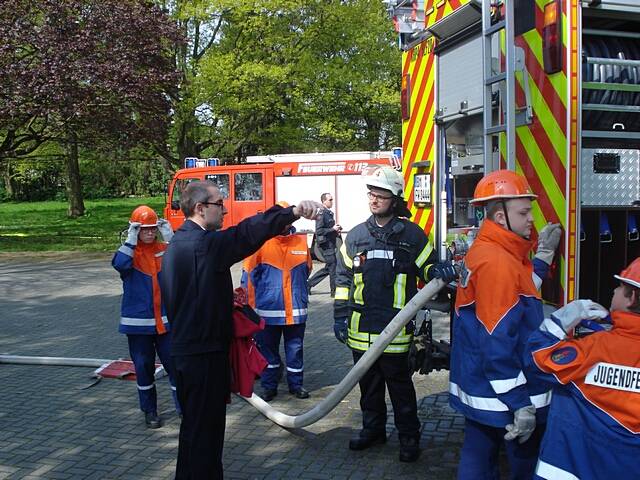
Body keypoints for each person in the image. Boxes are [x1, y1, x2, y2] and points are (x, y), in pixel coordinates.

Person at [159, 181, 321, 479]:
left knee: (194, 433)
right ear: (199, 208)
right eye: (219, 203)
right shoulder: (203, 245)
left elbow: (187, 297)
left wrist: (221, 299)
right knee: (206, 437)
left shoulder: (178, 245)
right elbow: (247, 233)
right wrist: (293, 212)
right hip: (203, 357)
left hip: (186, 352)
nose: (225, 209)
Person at [333, 165, 457, 463]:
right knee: (368, 387)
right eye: (371, 194)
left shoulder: (412, 236)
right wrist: (339, 316)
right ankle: (373, 430)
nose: (373, 200)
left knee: (400, 388)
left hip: (396, 330)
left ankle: (409, 437)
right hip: (361, 329)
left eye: (380, 195)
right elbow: (342, 279)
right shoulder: (356, 236)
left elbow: (428, 267)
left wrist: (436, 270)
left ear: (395, 199)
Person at [449, 170, 562, 479]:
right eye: (524, 212)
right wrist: (520, 404)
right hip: (505, 390)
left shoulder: (494, 252)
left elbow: (521, 291)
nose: (531, 220)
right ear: (501, 217)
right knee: (520, 465)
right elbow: (496, 341)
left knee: (478, 454)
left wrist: (542, 258)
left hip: (481, 384)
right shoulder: (498, 263)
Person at [524, 258, 640, 479]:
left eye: (619, 287)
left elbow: (537, 362)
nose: (614, 291)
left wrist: (562, 319)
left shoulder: (595, 349)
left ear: (631, 297)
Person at [112, 205, 180, 429]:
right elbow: (119, 264)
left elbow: (183, 261)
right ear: (136, 230)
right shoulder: (129, 254)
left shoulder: (163, 248)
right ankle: (149, 411)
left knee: (176, 367)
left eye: (153, 229)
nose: (150, 233)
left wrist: (173, 238)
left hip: (166, 325)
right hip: (138, 326)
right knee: (144, 369)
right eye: (144, 230)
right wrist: (130, 240)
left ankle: (183, 408)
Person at [241, 201, 312, 402]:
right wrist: (249, 310)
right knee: (267, 352)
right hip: (268, 311)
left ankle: (296, 385)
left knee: (295, 350)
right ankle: (269, 386)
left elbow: (306, 269)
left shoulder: (300, 242)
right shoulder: (261, 244)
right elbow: (248, 278)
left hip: (296, 311)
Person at [308, 193, 341, 296]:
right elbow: (319, 231)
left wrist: (336, 230)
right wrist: (332, 229)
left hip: (330, 243)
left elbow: (327, 228)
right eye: (330, 200)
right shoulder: (321, 213)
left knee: (329, 267)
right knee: (333, 267)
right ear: (324, 201)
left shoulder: (328, 213)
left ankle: (308, 285)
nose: (332, 201)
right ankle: (334, 292)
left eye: (332, 199)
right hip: (325, 244)